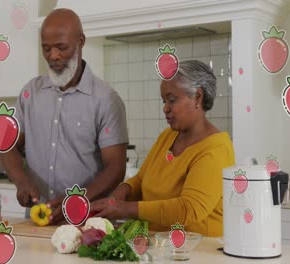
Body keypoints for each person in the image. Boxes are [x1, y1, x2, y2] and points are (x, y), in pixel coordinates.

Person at [1, 8, 128, 224]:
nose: (53, 56)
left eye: (62, 47)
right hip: (37, 221)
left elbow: (116, 169)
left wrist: (74, 201)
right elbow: (7, 146)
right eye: (46, 48)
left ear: (81, 42)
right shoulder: (30, 93)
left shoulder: (106, 99)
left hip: (88, 224)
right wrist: (21, 181)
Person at [90, 60, 235, 237]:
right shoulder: (167, 137)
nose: (165, 108)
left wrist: (126, 208)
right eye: (164, 101)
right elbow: (141, 179)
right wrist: (121, 193)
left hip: (199, 252)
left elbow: (188, 209)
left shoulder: (215, 149)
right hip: (160, 247)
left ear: (198, 97)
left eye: (172, 100)